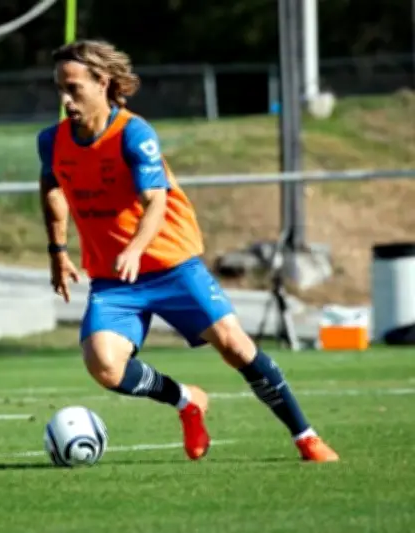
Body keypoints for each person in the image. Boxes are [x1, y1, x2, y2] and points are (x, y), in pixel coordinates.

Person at [37, 40, 339, 463]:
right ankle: (187, 401)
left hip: (171, 266)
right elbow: (51, 187)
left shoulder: (134, 134)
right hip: (114, 278)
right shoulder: (51, 141)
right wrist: (57, 250)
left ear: (102, 82)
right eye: (60, 89)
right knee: (104, 366)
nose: (65, 100)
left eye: (73, 88)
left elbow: (155, 201)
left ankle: (306, 437)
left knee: (235, 346)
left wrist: (136, 247)